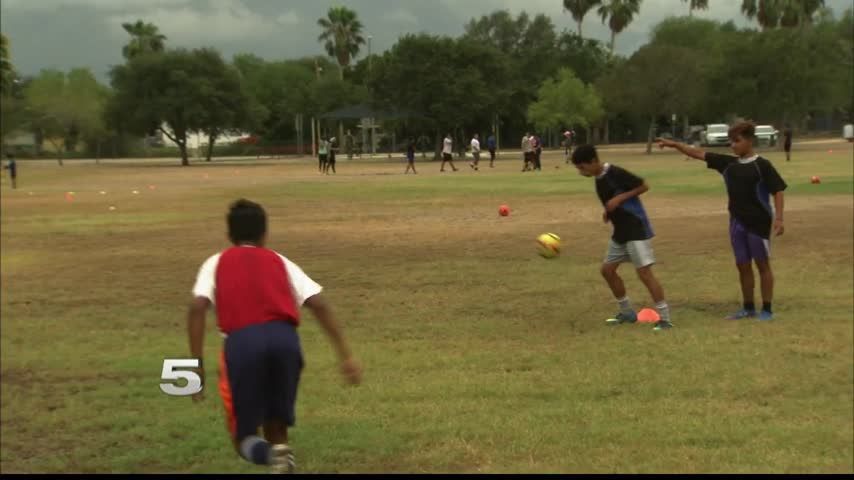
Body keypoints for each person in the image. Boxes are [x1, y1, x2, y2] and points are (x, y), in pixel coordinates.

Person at [187, 199, 362, 473]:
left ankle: (269, 456)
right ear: (265, 234)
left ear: (229, 235)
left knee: (243, 437)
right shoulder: (280, 260)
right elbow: (319, 303)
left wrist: (194, 366)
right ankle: (279, 457)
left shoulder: (216, 262)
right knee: (276, 426)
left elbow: (197, 307)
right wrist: (346, 356)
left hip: (242, 345)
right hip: (286, 341)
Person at [657, 121, 787, 321]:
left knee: (762, 266)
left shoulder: (762, 166)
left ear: (749, 141)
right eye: (730, 141)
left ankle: (767, 309)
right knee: (742, 265)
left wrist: (779, 218)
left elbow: (778, 190)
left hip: (758, 223)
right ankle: (748, 308)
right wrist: (674, 145)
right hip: (737, 223)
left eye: (737, 140)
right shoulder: (728, 164)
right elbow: (697, 153)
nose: (732, 145)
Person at [571, 145, 673, 331]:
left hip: (635, 228)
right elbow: (611, 198)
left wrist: (620, 200)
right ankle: (627, 313)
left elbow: (643, 185)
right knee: (607, 271)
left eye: (582, 167)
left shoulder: (615, 172)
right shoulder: (598, 178)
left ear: (594, 161)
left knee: (644, 273)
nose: (581, 172)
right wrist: (609, 212)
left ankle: (665, 318)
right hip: (620, 232)